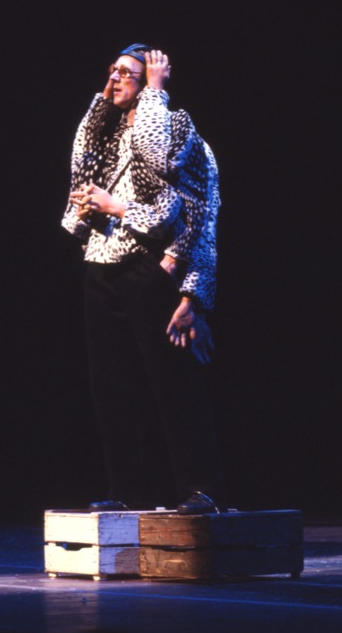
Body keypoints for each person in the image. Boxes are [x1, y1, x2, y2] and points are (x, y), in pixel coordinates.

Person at [62, 43, 223, 514]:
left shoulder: (178, 132)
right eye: (111, 70)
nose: (114, 79)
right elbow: (79, 169)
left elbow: (201, 215)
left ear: (152, 81)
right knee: (111, 387)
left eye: (127, 73)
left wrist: (194, 295)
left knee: (173, 383)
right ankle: (128, 490)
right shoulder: (108, 135)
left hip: (151, 267)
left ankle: (200, 488)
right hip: (102, 269)